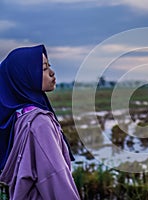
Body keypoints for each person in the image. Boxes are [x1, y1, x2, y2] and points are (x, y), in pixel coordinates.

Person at [0, 45, 80, 199]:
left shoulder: (19, 117)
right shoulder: (39, 123)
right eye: (43, 69)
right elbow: (56, 178)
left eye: (49, 66)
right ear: (24, 77)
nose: (52, 72)